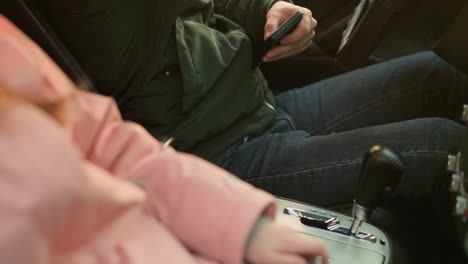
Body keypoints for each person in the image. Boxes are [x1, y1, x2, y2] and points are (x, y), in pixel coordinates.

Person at [0, 16, 328, 264]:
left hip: (245, 113)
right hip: (217, 140)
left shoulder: (7, 48)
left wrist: (237, 224)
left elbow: (111, 144)